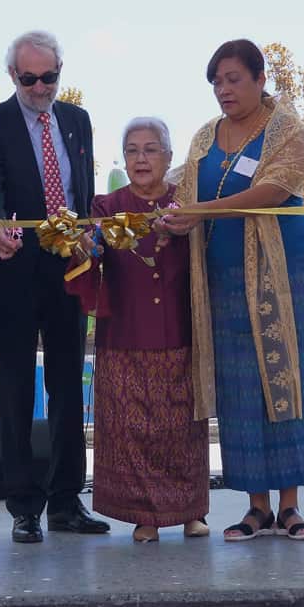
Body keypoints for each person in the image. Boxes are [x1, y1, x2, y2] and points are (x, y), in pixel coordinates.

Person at [160, 39, 304, 542]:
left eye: (234, 79)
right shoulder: (203, 137)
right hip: (223, 279)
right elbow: (184, 193)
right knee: (240, 387)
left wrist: (201, 213)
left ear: (259, 79)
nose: (224, 90)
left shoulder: (285, 128)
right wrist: (171, 216)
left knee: (287, 379)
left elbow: (274, 190)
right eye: (216, 82)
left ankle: (291, 506)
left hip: (284, 274)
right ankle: (255, 508)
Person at [0, 30, 109, 543]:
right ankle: (23, 507)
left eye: (48, 77)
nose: (39, 86)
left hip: (67, 267)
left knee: (70, 385)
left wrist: (90, 237)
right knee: (15, 387)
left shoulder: (77, 120)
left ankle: (67, 501)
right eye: (29, 78)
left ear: (59, 72)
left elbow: (82, 189)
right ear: (13, 76)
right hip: (11, 267)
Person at [66, 117, 210, 543]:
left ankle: (192, 513)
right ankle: (144, 517)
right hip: (124, 333)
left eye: (151, 149)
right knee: (134, 430)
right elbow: (86, 259)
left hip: (181, 331)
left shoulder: (187, 203)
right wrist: (83, 246)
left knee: (184, 426)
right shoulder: (106, 206)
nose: (141, 158)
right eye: (132, 150)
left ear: (168, 156)